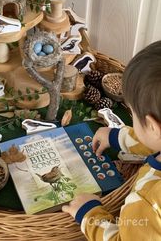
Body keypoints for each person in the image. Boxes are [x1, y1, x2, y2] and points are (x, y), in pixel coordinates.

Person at [62, 41, 161, 240]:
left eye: (132, 113)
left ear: (152, 126)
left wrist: (89, 215)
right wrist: (118, 137)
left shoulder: (148, 201)